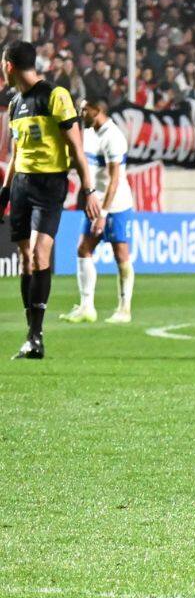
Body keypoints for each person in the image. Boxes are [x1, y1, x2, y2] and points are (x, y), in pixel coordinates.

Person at [0, 40, 101, 359]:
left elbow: (76, 148)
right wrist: (4, 191)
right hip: (22, 186)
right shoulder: (15, 103)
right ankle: (31, 335)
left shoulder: (55, 96)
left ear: (10, 66)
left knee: (42, 253)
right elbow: (15, 154)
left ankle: (36, 335)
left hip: (49, 185)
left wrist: (88, 190)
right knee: (26, 258)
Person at [60, 98, 135, 324]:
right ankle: (87, 307)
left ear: (98, 110)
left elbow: (114, 181)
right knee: (84, 249)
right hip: (96, 202)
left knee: (120, 253)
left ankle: (124, 309)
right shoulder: (91, 132)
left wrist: (103, 214)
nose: (81, 113)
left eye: (85, 109)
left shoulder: (114, 138)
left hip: (116, 205)